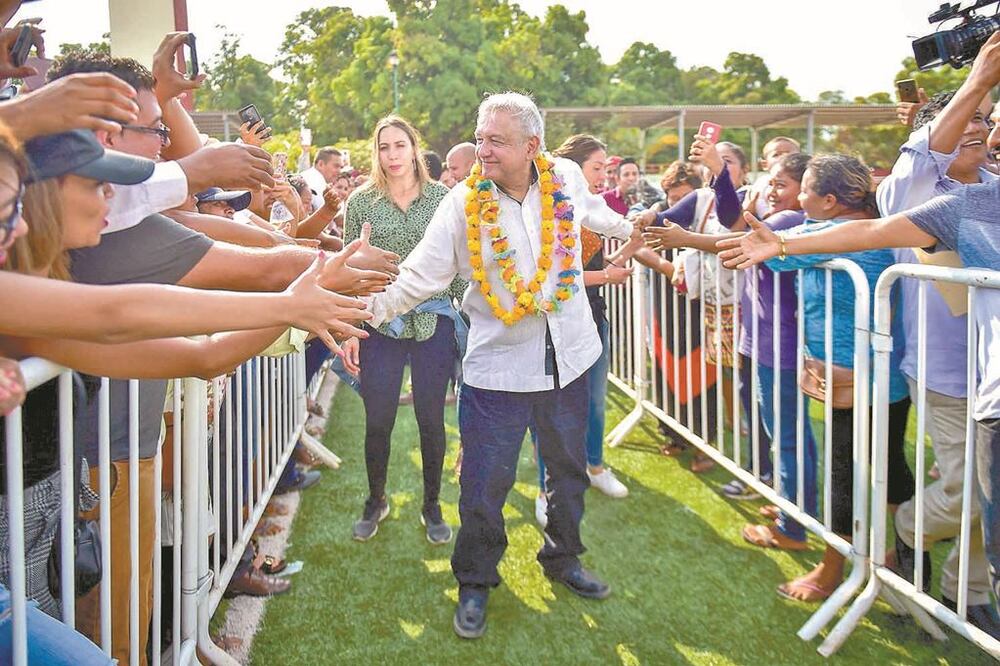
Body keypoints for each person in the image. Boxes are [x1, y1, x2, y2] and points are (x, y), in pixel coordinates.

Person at [355, 92, 640, 639]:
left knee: (569, 473)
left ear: (533, 146)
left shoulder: (566, 179)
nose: (482, 149)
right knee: (485, 484)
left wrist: (635, 229)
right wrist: (364, 312)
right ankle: (476, 582)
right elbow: (419, 276)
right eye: (480, 137)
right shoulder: (462, 203)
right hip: (498, 372)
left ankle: (564, 559)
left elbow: (597, 215)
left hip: (571, 358)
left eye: (496, 140)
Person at [718, 154, 915, 602]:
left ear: (829, 200)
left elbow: (772, 255)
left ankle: (832, 571)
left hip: (861, 382)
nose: (799, 197)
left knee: (845, 474)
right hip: (880, 379)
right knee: (887, 469)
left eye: (804, 188)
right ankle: (902, 557)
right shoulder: (857, 228)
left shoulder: (835, 236)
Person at [875, 47, 999, 635]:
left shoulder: (996, 188)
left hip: (994, 370)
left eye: (986, 116)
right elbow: (928, 151)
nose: (980, 127)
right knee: (967, 493)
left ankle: (967, 592)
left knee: (987, 491)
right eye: (969, 117)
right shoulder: (917, 186)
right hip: (943, 372)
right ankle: (906, 530)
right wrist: (975, 79)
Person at [645, 152, 819, 549]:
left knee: (788, 435)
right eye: (770, 183)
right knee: (781, 430)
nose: (771, 192)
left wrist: (686, 239)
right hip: (764, 339)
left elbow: (741, 239)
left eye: (784, 185)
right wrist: (719, 176)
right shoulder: (772, 212)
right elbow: (734, 220)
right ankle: (785, 501)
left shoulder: (790, 221)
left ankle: (793, 526)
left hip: (782, 344)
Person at [340, 116, 464, 545]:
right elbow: (347, 270)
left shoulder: (443, 198)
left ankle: (432, 504)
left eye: (399, 145)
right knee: (378, 421)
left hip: (434, 324)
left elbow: (459, 265)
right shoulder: (361, 202)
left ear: (414, 148)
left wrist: (469, 318)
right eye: (383, 147)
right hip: (381, 327)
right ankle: (376, 499)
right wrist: (351, 330)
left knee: (433, 420)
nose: (392, 155)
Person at [532, 134, 631, 528]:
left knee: (595, 400)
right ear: (572, 168)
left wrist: (636, 237)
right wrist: (607, 274)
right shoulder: (550, 203)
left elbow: (620, 242)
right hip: (554, 322)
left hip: (595, 315)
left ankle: (594, 465)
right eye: (598, 168)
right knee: (549, 412)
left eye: (607, 169)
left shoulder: (596, 208)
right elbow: (558, 277)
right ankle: (544, 488)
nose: (604, 176)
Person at [300, 145, 343, 211]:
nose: (340, 171)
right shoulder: (315, 181)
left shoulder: (309, 176)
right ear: (320, 164)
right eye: (336, 166)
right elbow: (334, 217)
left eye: (341, 167)